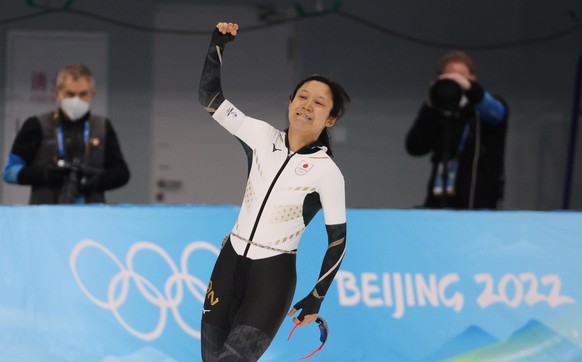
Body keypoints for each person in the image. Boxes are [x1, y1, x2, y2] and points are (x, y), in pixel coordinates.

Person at [198, 22, 349, 361]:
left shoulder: (328, 173)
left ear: (330, 120)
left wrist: (317, 296)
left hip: (272, 278)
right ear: (290, 102)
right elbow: (210, 99)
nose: (307, 106)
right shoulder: (260, 136)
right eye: (302, 97)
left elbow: (338, 242)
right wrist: (217, 46)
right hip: (228, 265)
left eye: (319, 103)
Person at [2, 63, 130, 204]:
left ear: (92, 95)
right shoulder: (36, 125)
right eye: (70, 94)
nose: (76, 100)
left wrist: (97, 180)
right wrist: (44, 174)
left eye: (83, 94)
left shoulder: (103, 127)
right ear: (57, 94)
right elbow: (9, 172)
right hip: (45, 216)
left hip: (92, 216)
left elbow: (122, 173)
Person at [405, 51, 508, 209]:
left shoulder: (486, 108)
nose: (455, 81)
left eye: (461, 75)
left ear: (473, 78)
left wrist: (468, 88)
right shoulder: (437, 110)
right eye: (449, 76)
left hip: (479, 206)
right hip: (439, 204)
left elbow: (497, 113)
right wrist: (430, 105)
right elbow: (414, 147)